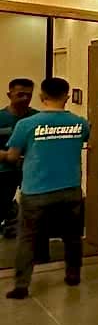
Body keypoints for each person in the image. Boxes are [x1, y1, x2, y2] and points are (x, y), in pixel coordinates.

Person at [2, 77, 91, 298]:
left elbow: (12, 157)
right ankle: (73, 275)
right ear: (67, 97)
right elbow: (87, 139)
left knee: (27, 238)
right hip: (70, 189)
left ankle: (21, 286)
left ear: (42, 97)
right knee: (72, 236)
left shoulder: (27, 124)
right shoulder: (80, 123)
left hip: (36, 191)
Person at [0, 78, 37, 237]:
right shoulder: (1, 118)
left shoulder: (36, 117)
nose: (25, 99)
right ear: (10, 95)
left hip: (31, 172)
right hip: (4, 171)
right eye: (20, 94)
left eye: (29, 95)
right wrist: (7, 156)